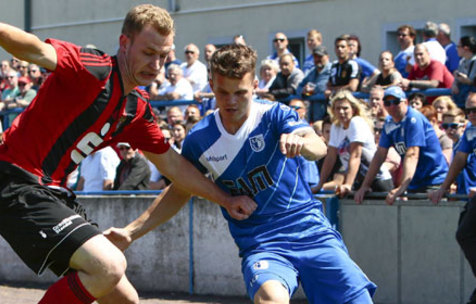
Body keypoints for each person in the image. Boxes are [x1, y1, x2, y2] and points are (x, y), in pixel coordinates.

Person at [0, 6, 256, 304]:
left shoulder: (135, 109)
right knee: (109, 266)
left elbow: (173, 166)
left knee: (125, 299)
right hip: (16, 184)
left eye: (163, 56)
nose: (157, 64)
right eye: (149, 53)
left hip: (54, 193)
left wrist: (226, 200)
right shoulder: (93, 69)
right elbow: (35, 50)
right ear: (125, 43)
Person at [109, 44, 376, 304]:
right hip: (262, 243)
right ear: (211, 85)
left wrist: (303, 144)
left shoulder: (275, 115)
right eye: (223, 92)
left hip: (311, 230)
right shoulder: (200, 139)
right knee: (271, 299)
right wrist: (131, 232)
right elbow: (180, 189)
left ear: (256, 85)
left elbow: (316, 144)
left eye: (240, 92)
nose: (231, 101)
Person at [354, 86, 448, 205]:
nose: (392, 106)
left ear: (406, 102)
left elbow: (412, 154)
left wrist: (402, 187)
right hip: (414, 181)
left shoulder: (413, 119)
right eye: (387, 103)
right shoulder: (389, 122)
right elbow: (380, 154)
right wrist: (365, 185)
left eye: (396, 102)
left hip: (433, 181)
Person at [428, 94, 476, 303]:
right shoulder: (471, 131)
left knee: (466, 233)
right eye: (468, 111)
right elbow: (459, 158)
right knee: (465, 233)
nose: (472, 115)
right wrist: (443, 187)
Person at [312, 90, 393, 196]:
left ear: (353, 110)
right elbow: (330, 157)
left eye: (345, 108)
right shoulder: (337, 127)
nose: (341, 112)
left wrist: (348, 184)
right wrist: (320, 184)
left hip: (377, 179)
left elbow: (356, 155)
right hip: (359, 182)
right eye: (338, 108)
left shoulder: (357, 122)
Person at [297, 45, 332, 122]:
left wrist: (312, 90)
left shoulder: (332, 70)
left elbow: (324, 86)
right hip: (313, 116)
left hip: (327, 114)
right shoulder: (312, 72)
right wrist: (303, 91)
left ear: (327, 57)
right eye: (315, 56)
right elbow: (299, 87)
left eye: (320, 56)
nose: (318, 59)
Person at [452, 36, 476, 108]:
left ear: (466, 48)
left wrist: (467, 80)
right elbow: (457, 77)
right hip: (462, 96)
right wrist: (455, 84)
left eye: (458, 46)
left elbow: (472, 81)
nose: (456, 49)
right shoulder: (462, 61)